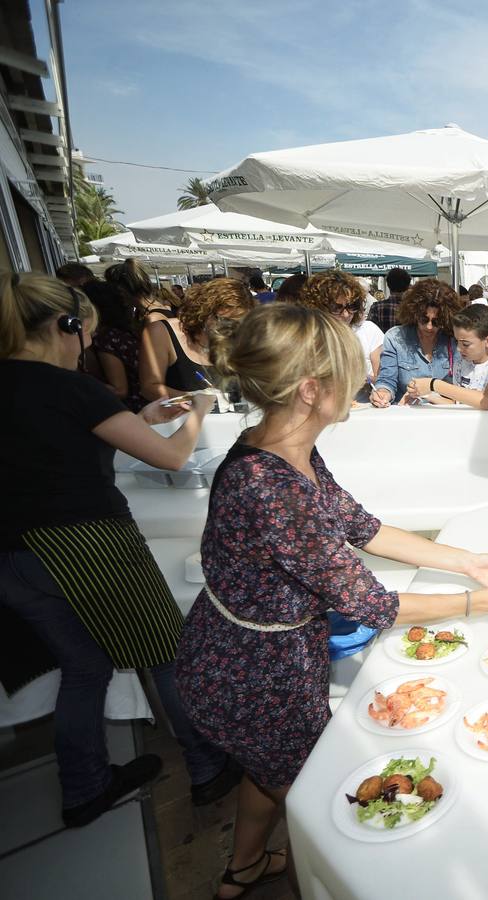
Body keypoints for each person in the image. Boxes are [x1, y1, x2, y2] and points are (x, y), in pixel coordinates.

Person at [175, 304, 488, 898]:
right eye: (353, 370)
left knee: (271, 772)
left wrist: (468, 562)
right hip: (249, 676)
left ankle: (241, 869)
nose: (366, 380)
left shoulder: (284, 445)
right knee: (316, 816)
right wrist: (484, 603)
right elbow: (375, 604)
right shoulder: (269, 486)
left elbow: (361, 526)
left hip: (255, 659)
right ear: (310, 389)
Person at [0, 273, 236, 828]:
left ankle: (85, 787)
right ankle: (207, 769)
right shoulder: (73, 388)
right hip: (85, 546)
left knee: (84, 667)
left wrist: (141, 421)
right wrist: (198, 408)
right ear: (68, 326)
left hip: (12, 556)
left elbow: (51, 440)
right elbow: (174, 459)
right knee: (167, 654)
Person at [140, 277, 255, 401]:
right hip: (182, 418)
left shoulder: (239, 337)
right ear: (206, 310)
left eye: (239, 324)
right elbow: (150, 388)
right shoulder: (162, 332)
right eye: (226, 321)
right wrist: (193, 398)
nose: (231, 329)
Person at [371, 279, 457, 406]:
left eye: (436, 322)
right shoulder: (395, 338)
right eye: (424, 319)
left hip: (446, 416)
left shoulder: (454, 339)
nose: (429, 326)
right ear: (414, 314)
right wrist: (383, 393)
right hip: (407, 415)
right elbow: (387, 379)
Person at [406, 304, 488, 410]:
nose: (458, 348)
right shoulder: (460, 363)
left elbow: (487, 401)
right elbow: (456, 402)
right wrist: (424, 393)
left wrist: (433, 384)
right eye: (457, 341)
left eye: (466, 344)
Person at [296, 270, 384, 382]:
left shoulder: (367, 329)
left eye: (352, 306)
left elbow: (383, 379)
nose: (346, 314)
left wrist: (367, 380)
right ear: (317, 307)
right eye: (336, 307)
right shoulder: (303, 339)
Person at [84, 280, 146, 411]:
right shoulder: (126, 330)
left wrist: (81, 384)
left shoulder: (106, 338)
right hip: (144, 405)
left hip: (133, 410)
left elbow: (119, 389)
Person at [367, 267, 408, 331]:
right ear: (407, 286)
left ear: (388, 285)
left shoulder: (377, 307)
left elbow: (369, 331)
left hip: (382, 340)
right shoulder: (413, 308)